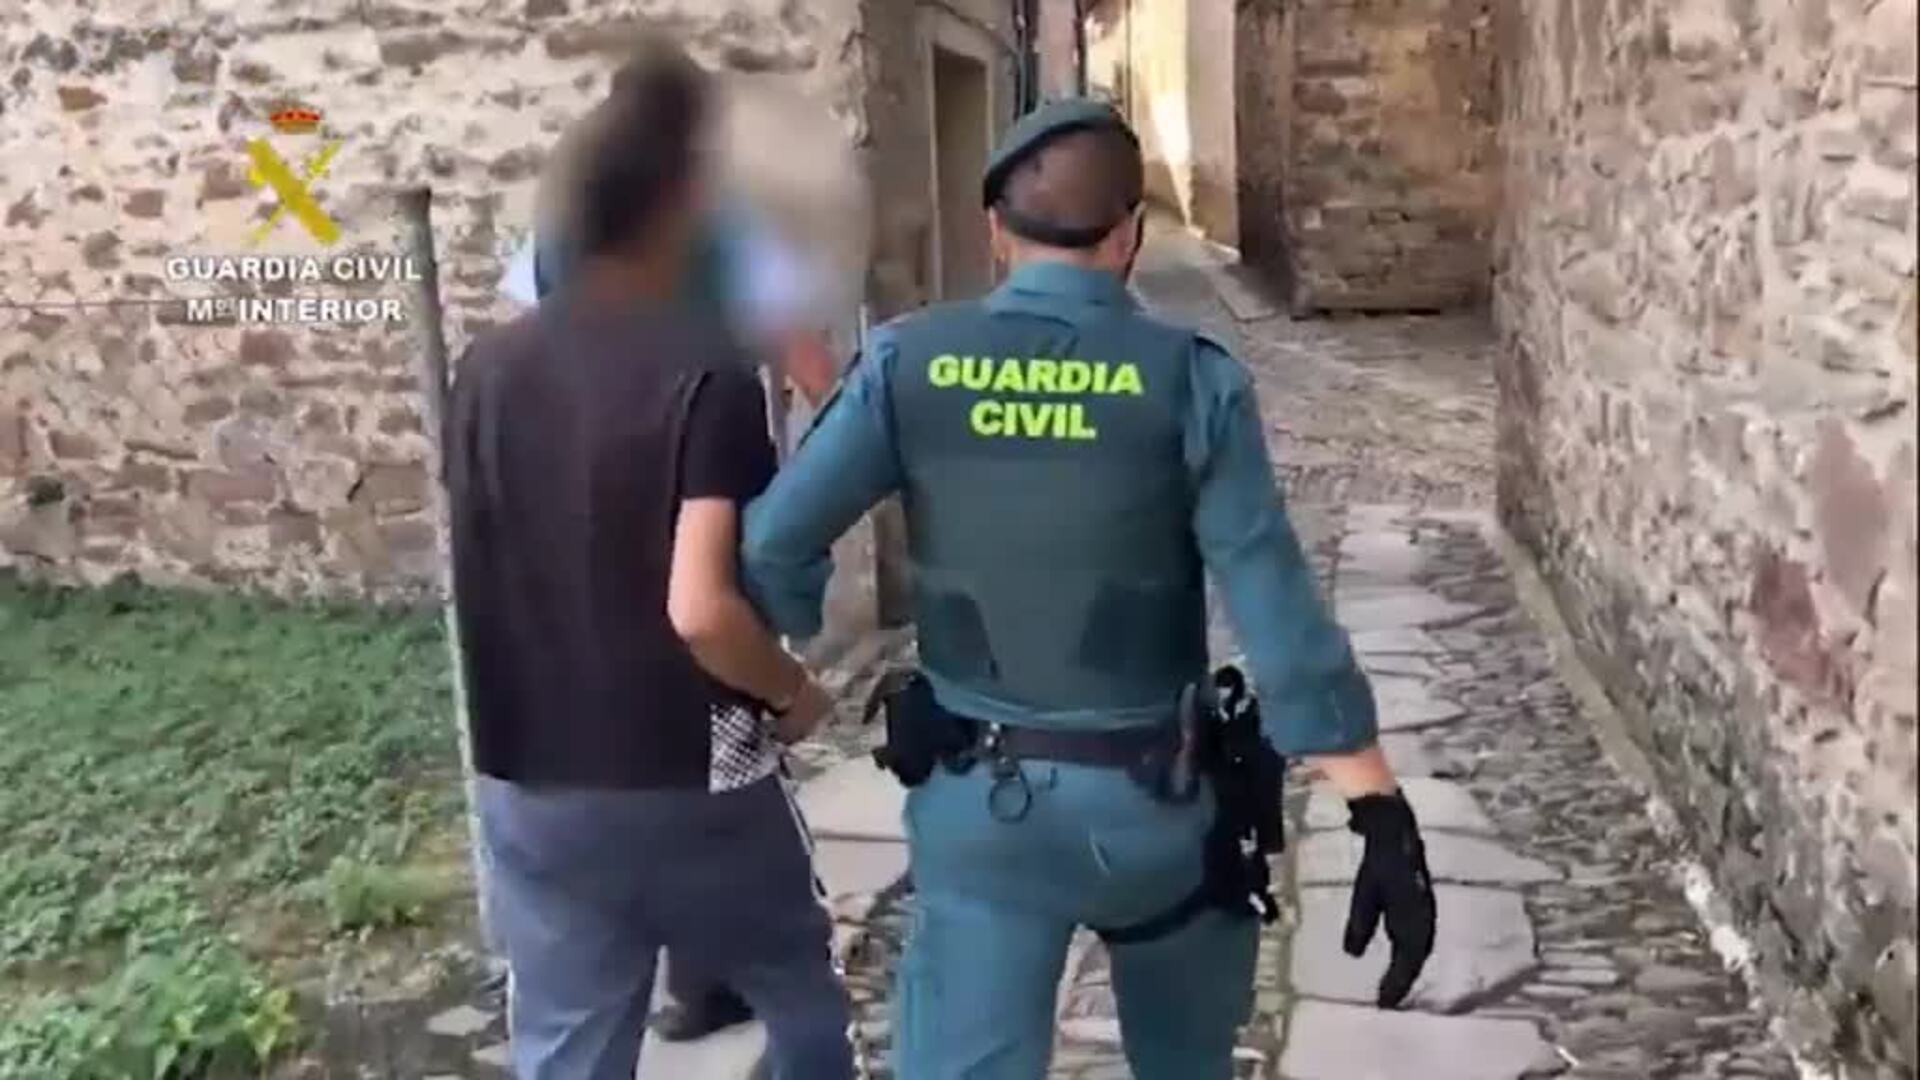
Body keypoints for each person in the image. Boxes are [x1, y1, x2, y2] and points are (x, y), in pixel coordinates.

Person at [739, 99, 1438, 1079]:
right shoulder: (1191, 379)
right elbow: (1275, 605)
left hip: (982, 808)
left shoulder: (907, 362)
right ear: (1129, 235)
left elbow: (773, 543)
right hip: (1160, 806)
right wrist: (1377, 809)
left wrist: (788, 668)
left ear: (994, 230)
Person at [445, 35, 854, 1080]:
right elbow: (700, 611)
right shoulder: (708, 371)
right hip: (685, 763)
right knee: (803, 991)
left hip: (523, 763)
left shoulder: (482, 368)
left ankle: (689, 985)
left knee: (568, 1041)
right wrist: (794, 692)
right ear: (684, 197)